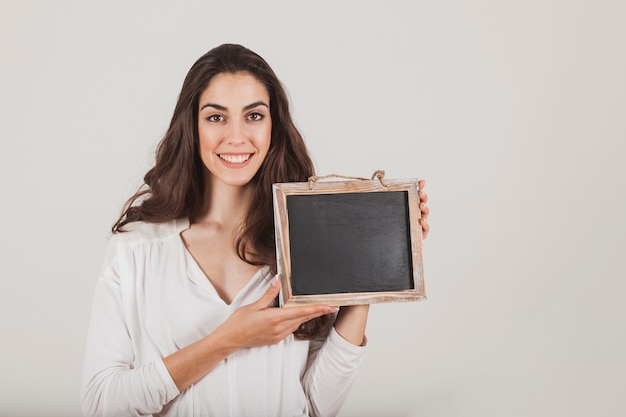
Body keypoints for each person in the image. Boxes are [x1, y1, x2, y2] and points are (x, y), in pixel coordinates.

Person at [81, 43, 430, 417]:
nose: (236, 136)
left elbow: (315, 405)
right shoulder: (137, 249)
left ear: (273, 126)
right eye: (216, 117)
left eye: (254, 116)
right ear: (192, 126)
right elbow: (102, 404)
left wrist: (367, 274)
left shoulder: (305, 241)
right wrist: (226, 340)